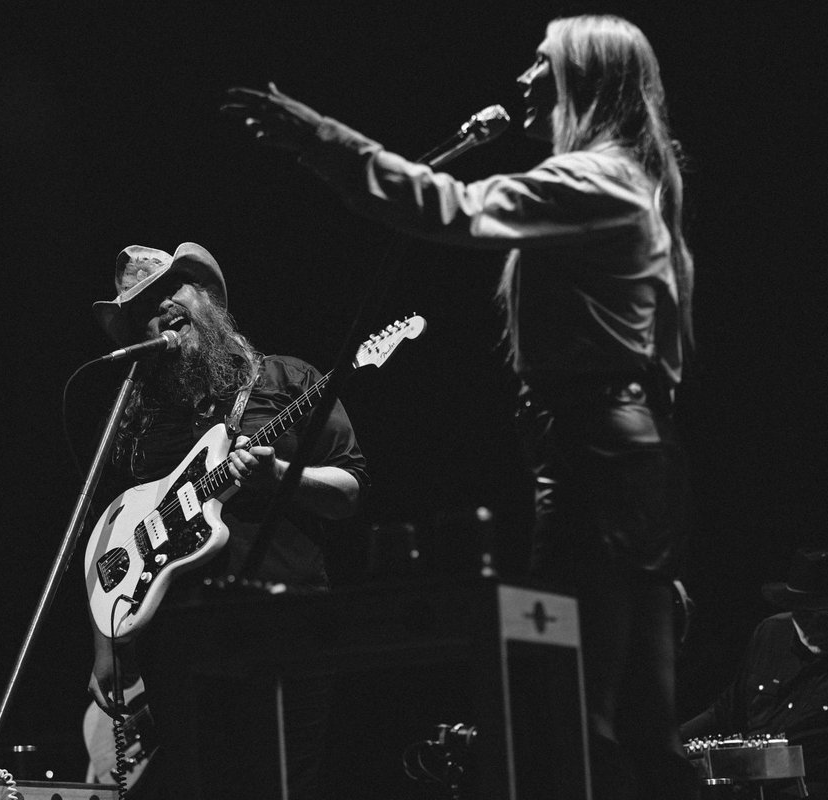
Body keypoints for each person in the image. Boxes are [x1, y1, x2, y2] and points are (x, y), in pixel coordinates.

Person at [223, 13, 696, 799]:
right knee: (632, 722)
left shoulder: (595, 181)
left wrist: (320, 138)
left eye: (540, 63)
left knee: (582, 716)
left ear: (582, 78)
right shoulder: (619, 184)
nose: (521, 80)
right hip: (620, 453)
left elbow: (447, 205)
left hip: (598, 453)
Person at [85, 242, 369, 799]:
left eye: (172, 290)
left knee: (286, 784)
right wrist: (109, 650)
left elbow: (350, 490)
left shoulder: (290, 380)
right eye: (145, 307)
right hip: (179, 643)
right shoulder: (138, 413)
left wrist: (282, 474)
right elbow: (113, 538)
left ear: (207, 296)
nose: (163, 308)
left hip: (286, 620)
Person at [680, 548, 828, 800]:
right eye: (805, 615)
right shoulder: (770, 632)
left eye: (827, 616)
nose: (816, 626)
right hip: (750, 788)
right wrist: (670, 740)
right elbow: (726, 709)